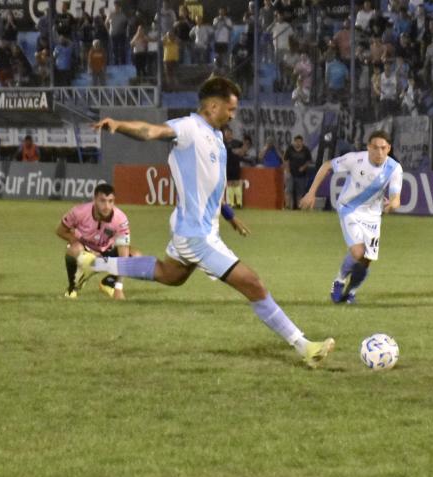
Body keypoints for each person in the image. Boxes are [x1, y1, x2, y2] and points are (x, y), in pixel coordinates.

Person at [86, 77, 335, 368]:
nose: (233, 114)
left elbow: (211, 187)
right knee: (253, 284)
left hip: (194, 228)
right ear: (213, 106)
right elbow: (151, 131)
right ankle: (305, 346)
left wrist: (229, 217)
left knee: (170, 275)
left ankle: (92, 264)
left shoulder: (216, 136)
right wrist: (119, 125)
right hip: (197, 236)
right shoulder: (189, 128)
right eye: (230, 109)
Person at [299, 130, 404, 305]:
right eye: (375, 148)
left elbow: (396, 199)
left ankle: (351, 292)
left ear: (389, 148)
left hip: (373, 215)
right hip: (349, 208)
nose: (379, 152)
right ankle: (339, 281)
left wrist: (392, 205)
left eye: (383, 148)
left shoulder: (394, 168)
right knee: (358, 251)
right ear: (369, 147)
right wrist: (311, 193)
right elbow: (327, 166)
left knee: (366, 260)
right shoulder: (356, 159)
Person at [57, 183, 139, 299]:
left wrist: (119, 287)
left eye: (110, 201)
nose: (107, 206)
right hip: (85, 250)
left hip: (107, 251)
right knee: (74, 249)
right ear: (94, 200)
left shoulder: (120, 219)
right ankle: (73, 287)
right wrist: (77, 242)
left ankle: (109, 283)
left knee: (136, 257)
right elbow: (61, 231)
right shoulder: (79, 212)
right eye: (102, 201)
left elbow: (123, 252)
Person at [283, 135, 312, 210]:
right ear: (294, 142)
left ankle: (299, 207)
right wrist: (287, 171)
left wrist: (303, 167)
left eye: (300, 142)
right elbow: (285, 160)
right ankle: (287, 206)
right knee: (288, 190)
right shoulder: (290, 149)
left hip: (301, 175)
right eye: (297, 142)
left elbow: (309, 161)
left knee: (300, 192)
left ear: (302, 142)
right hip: (291, 174)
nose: (298, 143)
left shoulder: (306, 150)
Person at [224, 127, 244, 208]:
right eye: (226, 133)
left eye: (229, 133)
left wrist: (240, 151)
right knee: (229, 183)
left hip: (235, 165)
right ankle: (231, 203)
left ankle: (239, 203)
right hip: (227, 165)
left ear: (231, 134)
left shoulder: (237, 142)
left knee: (236, 183)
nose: (227, 135)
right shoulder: (222, 143)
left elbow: (244, 147)